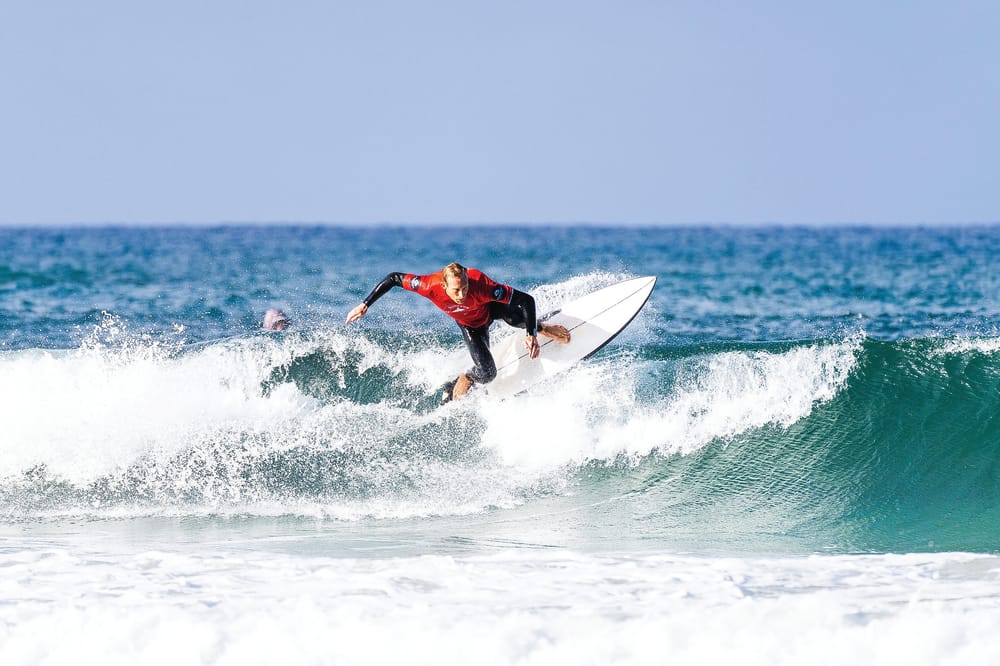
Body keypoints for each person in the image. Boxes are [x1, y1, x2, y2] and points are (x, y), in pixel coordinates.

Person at [345, 263, 570, 401]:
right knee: (488, 373)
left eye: (464, 287)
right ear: (444, 287)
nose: (462, 293)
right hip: (471, 325)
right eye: (456, 289)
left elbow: (525, 300)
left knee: (513, 316)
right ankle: (466, 377)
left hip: (491, 309)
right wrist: (365, 305)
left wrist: (531, 333)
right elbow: (394, 278)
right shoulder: (428, 286)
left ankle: (542, 327)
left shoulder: (482, 284)